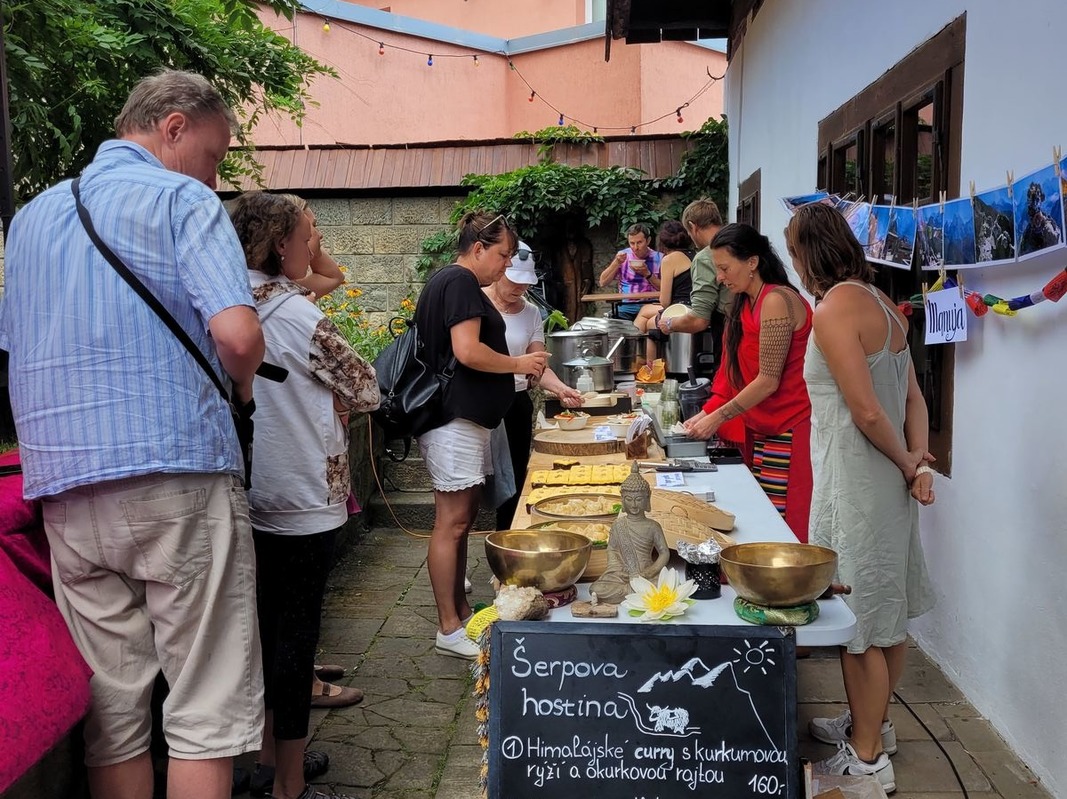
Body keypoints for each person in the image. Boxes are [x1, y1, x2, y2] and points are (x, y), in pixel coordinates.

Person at [0, 70, 265, 799]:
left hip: (64, 489)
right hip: (174, 469)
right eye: (213, 156)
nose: (213, 175)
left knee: (114, 707)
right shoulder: (181, 199)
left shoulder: (31, 219)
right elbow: (238, 336)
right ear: (173, 126)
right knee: (205, 702)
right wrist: (240, 389)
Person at [228, 192, 380, 799]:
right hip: (300, 495)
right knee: (295, 644)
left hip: (245, 489)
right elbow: (366, 386)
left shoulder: (225, 304)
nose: (311, 245)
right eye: (304, 235)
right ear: (281, 244)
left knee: (262, 636)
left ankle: (267, 759)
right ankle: (288, 782)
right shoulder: (295, 314)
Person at [785, 203, 936, 793]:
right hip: (885, 480)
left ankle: (867, 756)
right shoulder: (883, 306)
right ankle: (875, 723)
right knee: (886, 615)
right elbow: (913, 400)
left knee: (856, 620)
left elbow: (868, 410)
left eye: (794, 253)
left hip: (857, 481)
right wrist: (917, 461)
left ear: (807, 254)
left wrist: (905, 461)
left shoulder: (832, 311)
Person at [414, 212, 549, 659]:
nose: (506, 265)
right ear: (477, 249)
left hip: (464, 421)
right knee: (451, 524)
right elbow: (467, 351)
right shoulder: (459, 283)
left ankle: (462, 612)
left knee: (460, 521)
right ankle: (448, 626)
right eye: (502, 255)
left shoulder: (450, 282)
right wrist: (517, 364)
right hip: (453, 420)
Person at [682, 224, 814, 543]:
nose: (720, 277)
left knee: (783, 526)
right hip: (759, 425)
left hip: (787, 425)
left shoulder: (776, 301)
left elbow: (768, 380)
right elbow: (732, 374)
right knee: (762, 516)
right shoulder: (744, 301)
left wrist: (717, 417)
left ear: (752, 262)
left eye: (725, 268)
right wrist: (706, 413)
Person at [484, 241, 583, 531]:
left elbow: (538, 366)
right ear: (500, 271)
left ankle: (506, 540)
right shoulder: (476, 301)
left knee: (512, 478)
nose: (519, 290)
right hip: (479, 403)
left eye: (525, 285)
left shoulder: (530, 314)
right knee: (469, 484)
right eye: (514, 282)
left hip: (514, 402)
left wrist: (561, 389)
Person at [589, 464, 670, 603]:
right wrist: (618, 569)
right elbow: (612, 549)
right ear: (623, 499)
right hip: (622, 575)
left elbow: (664, 553)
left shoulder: (653, 526)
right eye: (629, 499)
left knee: (667, 586)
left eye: (638, 499)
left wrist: (647, 573)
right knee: (596, 589)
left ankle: (634, 591)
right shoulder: (618, 524)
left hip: (646, 573)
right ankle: (635, 592)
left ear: (647, 498)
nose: (634, 504)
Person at [633, 220, 694, 362]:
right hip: (693, 305)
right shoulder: (694, 254)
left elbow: (665, 301)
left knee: (648, 322)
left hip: (680, 308)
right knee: (644, 311)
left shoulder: (669, 259)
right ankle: (640, 361)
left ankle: (646, 367)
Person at [597, 222, 662, 320]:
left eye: (639, 242)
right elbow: (602, 282)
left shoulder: (659, 258)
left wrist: (647, 274)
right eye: (632, 243)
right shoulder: (623, 256)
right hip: (627, 306)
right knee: (609, 321)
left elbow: (664, 287)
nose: (635, 247)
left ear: (648, 241)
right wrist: (616, 262)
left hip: (651, 305)